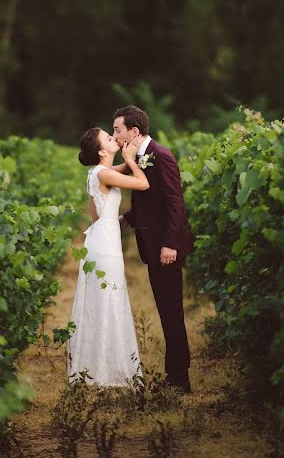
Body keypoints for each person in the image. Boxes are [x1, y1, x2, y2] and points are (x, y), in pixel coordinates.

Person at [113, 105, 193, 393]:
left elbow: (174, 202)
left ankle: (179, 379)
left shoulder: (161, 156)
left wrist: (170, 243)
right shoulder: (140, 156)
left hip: (166, 248)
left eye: (117, 129)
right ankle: (176, 375)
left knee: (171, 311)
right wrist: (126, 219)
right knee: (165, 309)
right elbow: (150, 203)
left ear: (134, 131)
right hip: (153, 245)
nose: (115, 134)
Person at [67, 128, 148, 386]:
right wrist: (135, 162)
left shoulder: (98, 172)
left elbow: (119, 170)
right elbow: (143, 183)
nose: (115, 139)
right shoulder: (104, 173)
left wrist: (129, 156)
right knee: (108, 300)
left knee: (105, 301)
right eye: (110, 138)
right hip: (105, 247)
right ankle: (103, 371)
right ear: (102, 151)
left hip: (102, 240)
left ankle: (98, 367)